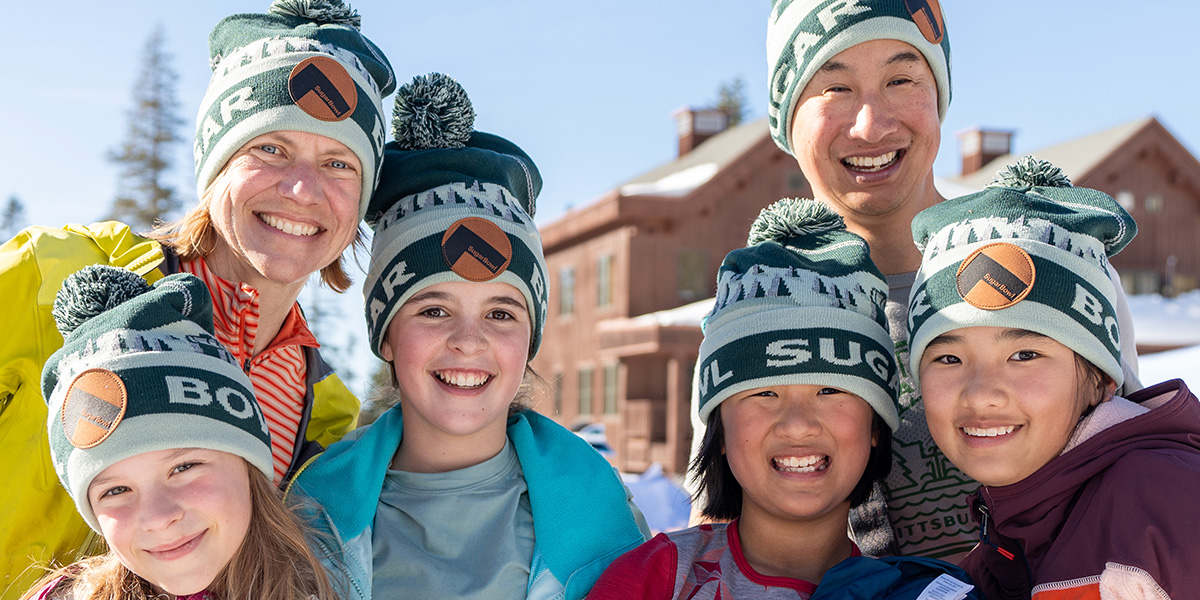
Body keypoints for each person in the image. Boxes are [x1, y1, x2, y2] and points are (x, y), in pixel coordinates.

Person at [0, 1, 394, 595]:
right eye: (271, 149)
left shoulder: (324, 412)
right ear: (214, 167)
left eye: (338, 163)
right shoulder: (52, 274)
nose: (302, 189)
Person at [757, 0, 1143, 559]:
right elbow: (722, 524)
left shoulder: (1046, 263)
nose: (871, 123)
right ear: (786, 118)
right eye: (834, 88)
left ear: (938, 97)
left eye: (902, 78)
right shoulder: (761, 301)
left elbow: (1133, 458)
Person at [287, 73, 651, 600]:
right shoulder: (310, 513)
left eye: (501, 314)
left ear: (530, 340)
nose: (468, 340)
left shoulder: (601, 511)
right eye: (434, 310)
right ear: (386, 336)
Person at [593, 199, 978, 598]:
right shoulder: (655, 579)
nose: (798, 424)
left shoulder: (914, 592)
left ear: (875, 426)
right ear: (720, 430)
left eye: (830, 390)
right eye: (765, 392)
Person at [906, 157, 1200, 598]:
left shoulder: (1159, 507)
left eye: (1024, 354)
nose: (982, 394)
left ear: (1101, 377)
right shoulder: (1004, 545)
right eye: (948, 358)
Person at [22, 265, 336, 600]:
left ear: (248, 465)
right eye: (115, 490)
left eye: (183, 467)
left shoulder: (326, 582)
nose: (158, 518)